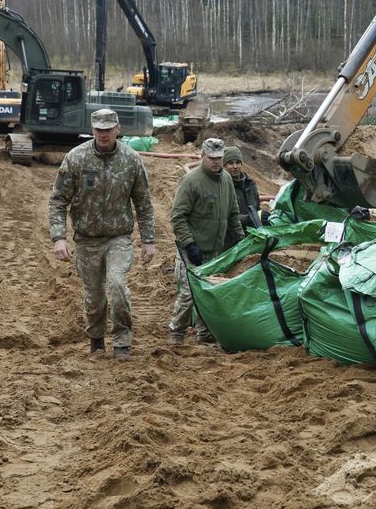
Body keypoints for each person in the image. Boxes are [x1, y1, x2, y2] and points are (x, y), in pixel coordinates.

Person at [48, 109, 156, 360]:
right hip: (87, 240)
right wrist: (59, 237)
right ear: (92, 130)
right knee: (94, 297)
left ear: (118, 130)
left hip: (119, 237)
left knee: (117, 286)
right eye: (99, 130)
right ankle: (96, 340)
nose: (103, 134)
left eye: (108, 129)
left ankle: (122, 342)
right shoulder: (76, 158)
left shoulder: (131, 160)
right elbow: (58, 201)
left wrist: (148, 239)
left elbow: (143, 202)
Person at [168, 137, 244, 344]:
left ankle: (205, 333)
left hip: (214, 251)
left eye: (219, 158)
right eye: (211, 158)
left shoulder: (226, 180)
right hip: (191, 250)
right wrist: (189, 243)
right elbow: (177, 217)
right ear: (202, 156)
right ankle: (176, 331)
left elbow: (233, 213)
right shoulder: (191, 181)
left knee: (209, 292)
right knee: (189, 294)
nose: (216, 162)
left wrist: (241, 240)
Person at [223, 145, 262, 235]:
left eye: (237, 162)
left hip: (253, 233)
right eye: (230, 163)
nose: (235, 166)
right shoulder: (223, 187)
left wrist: (261, 216)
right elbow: (224, 217)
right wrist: (247, 219)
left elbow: (257, 207)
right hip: (232, 236)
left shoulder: (250, 184)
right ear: (224, 166)